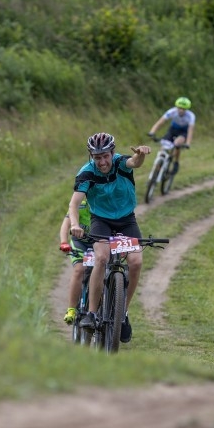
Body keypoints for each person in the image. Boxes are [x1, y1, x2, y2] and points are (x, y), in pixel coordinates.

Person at [67, 132, 151, 343]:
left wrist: (141, 154)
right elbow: (74, 204)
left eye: (105, 156)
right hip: (101, 220)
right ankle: (92, 313)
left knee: (136, 262)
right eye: (97, 157)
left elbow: (135, 162)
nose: (103, 162)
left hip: (126, 220)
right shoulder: (86, 173)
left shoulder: (120, 163)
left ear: (112, 153)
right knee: (101, 258)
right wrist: (75, 225)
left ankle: (122, 313)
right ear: (91, 157)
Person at [58, 198, 92, 325]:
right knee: (80, 270)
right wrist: (64, 242)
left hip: (98, 246)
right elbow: (65, 225)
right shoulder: (80, 206)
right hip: (80, 244)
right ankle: (71, 309)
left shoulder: (105, 208)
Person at [147, 96, 195, 175]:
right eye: (179, 108)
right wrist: (152, 132)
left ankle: (176, 162)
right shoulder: (172, 111)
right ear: (176, 107)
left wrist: (188, 143)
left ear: (187, 109)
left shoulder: (191, 116)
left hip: (183, 132)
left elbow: (190, 130)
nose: (181, 110)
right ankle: (158, 168)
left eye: (184, 109)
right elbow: (160, 122)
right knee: (163, 146)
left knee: (177, 143)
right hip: (173, 129)